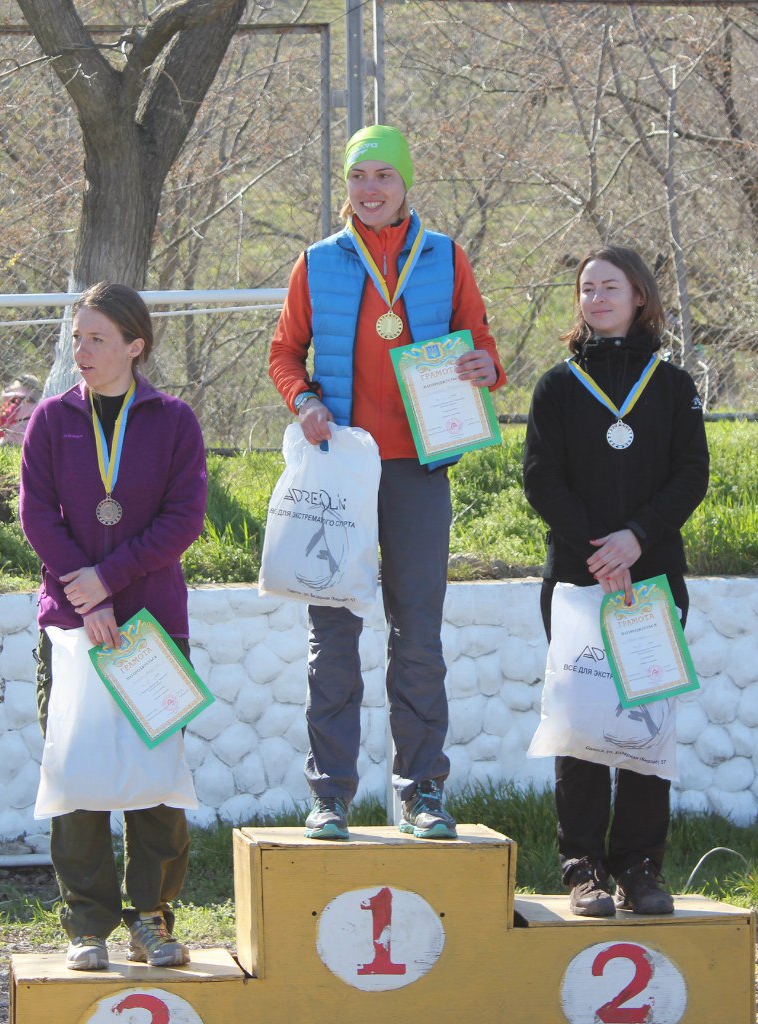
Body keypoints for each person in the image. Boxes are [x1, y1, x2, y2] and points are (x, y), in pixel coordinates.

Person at [269, 124, 505, 841]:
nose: (370, 190)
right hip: (342, 473)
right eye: (357, 177)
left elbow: (484, 345)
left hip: (418, 470)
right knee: (333, 635)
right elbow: (284, 354)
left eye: (383, 177)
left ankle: (423, 792)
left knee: (418, 636)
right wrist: (304, 401)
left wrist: (486, 368)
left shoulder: (446, 258)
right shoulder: (318, 262)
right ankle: (330, 795)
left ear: (406, 184)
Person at [19, 283, 207, 970]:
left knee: (156, 778)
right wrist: (88, 598)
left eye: (97, 338)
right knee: (78, 776)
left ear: (136, 345)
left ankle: (152, 918)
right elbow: (38, 517)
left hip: (152, 629)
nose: (82, 351)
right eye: (77, 337)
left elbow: (183, 519)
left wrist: (111, 580)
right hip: (73, 629)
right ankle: (87, 925)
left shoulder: (174, 421)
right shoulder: (49, 420)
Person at [523, 246, 709, 916]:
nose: (596, 297)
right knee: (581, 725)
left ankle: (640, 866)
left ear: (639, 296)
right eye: (586, 288)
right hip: (578, 583)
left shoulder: (673, 385)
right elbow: (541, 479)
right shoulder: (556, 387)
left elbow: (691, 476)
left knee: (645, 724)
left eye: (610, 286)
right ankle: (584, 869)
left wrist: (636, 539)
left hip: (651, 582)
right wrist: (599, 550)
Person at [0, 373, 41, 444]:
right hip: (26, 439)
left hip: (14, 439)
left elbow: (4, 395)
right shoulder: (37, 404)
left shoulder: (18, 403)